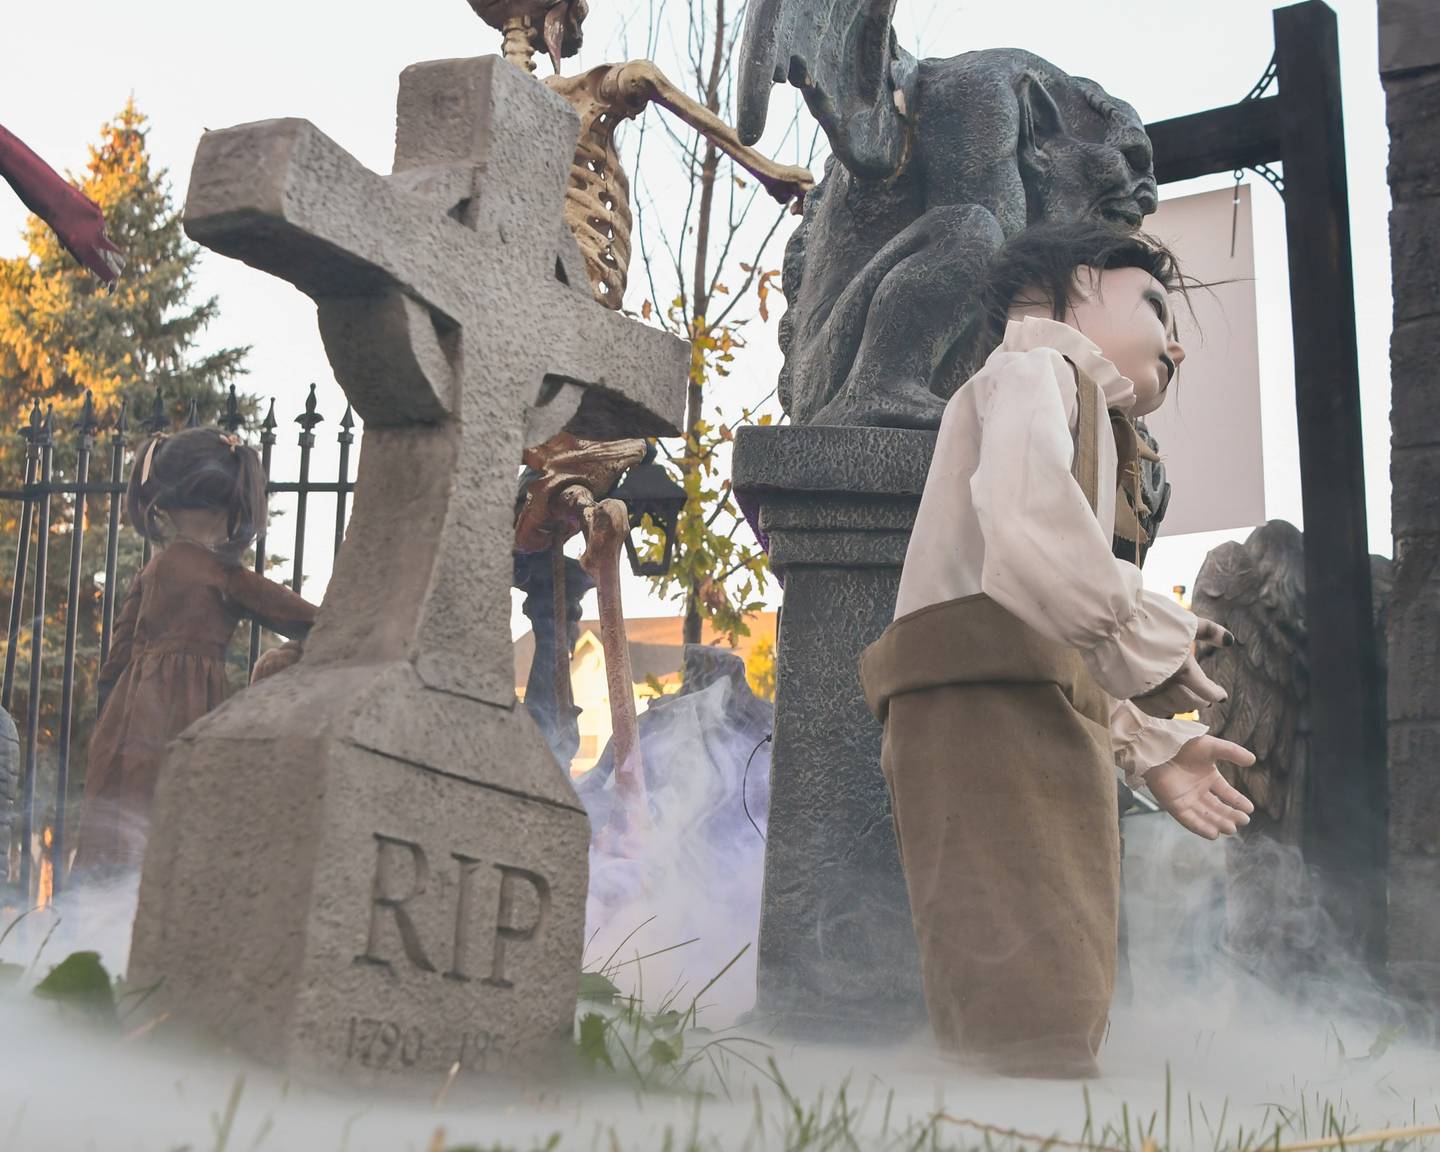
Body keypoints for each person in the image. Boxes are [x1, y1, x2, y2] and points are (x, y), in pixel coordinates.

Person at [859, 221, 1257, 1078]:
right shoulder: (1032, 370)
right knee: (1029, 995)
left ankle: (1024, 1111)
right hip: (979, 709)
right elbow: (1028, 526)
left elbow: (1048, 619)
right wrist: (1142, 630)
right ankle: (1021, 1120)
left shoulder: (1079, 407)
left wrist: (1149, 744)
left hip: (1019, 702)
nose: (1176, 345)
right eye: (1154, 305)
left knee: (1057, 973)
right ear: (1074, 284)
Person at [72, 427, 318, 878]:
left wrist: (108, 721)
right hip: (183, 713)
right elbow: (305, 619)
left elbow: (117, 657)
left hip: (126, 719)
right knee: (174, 831)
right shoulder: (222, 575)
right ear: (231, 505)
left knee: (121, 832)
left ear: (167, 501)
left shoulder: (154, 568)